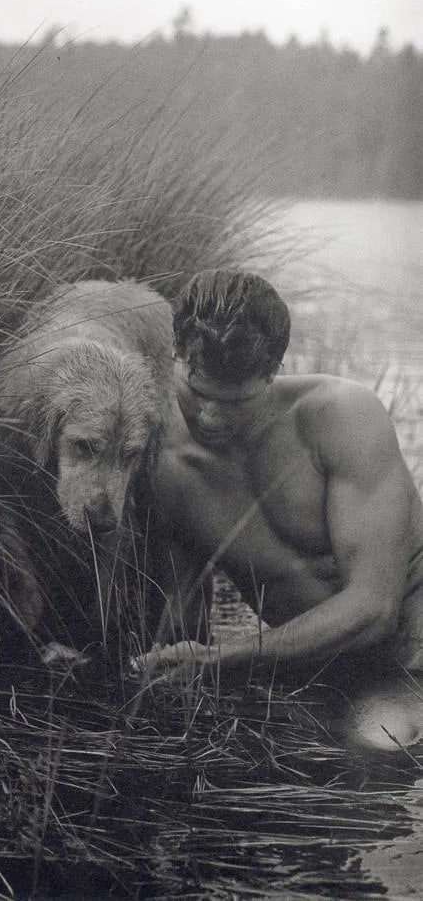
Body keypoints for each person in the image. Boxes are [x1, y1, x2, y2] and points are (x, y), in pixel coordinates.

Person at [142, 268, 423, 752]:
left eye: (236, 402)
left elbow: (376, 608)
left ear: (273, 371)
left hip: (413, 649)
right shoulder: (160, 467)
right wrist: (169, 664)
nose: (211, 417)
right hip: (322, 669)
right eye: (198, 392)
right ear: (176, 354)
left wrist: (226, 658)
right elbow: (180, 622)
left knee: (381, 749)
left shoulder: (341, 415)